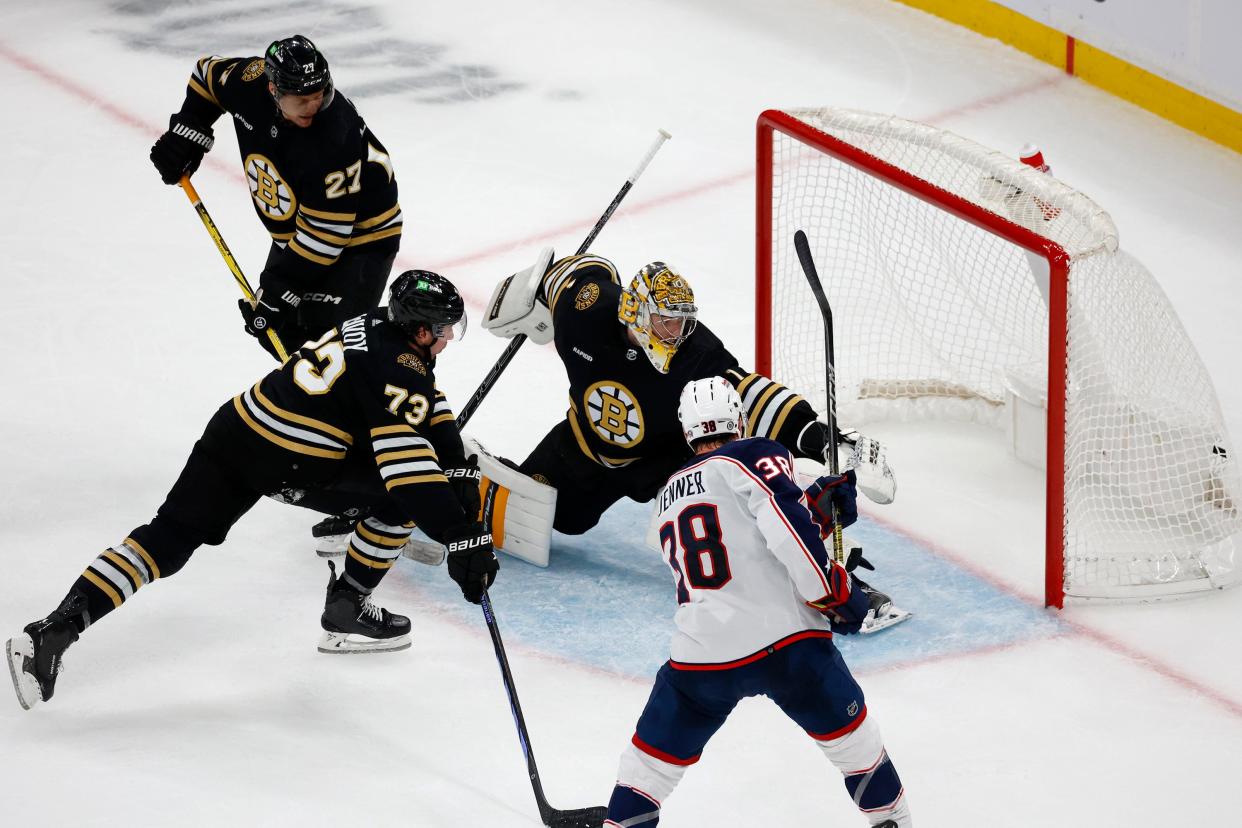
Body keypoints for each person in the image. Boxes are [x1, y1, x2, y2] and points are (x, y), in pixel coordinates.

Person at [5, 272, 497, 711]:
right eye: (445, 329)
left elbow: (428, 402)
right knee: (397, 502)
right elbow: (408, 474)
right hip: (292, 461)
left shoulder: (373, 322)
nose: (449, 337)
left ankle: (55, 629)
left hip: (235, 428)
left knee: (167, 539)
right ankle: (348, 605)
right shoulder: (400, 366)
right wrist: (460, 535)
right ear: (420, 330)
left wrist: (457, 467)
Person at [480, 251, 907, 631]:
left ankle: (833, 578)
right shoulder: (585, 310)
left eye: (683, 319)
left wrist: (816, 437)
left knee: (725, 521)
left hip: (663, 461)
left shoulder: (695, 352)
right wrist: (522, 300)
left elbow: (748, 393)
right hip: (582, 445)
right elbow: (574, 272)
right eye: (667, 320)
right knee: (564, 518)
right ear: (636, 312)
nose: (678, 330)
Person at [602, 377, 912, 827]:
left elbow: (739, 541)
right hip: (786, 643)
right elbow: (785, 534)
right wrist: (834, 592)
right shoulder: (754, 454)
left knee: (645, 771)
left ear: (688, 433)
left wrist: (814, 509)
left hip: (701, 658)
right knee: (858, 750)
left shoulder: (667, 494)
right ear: (741, 420)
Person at [149, 34, 402, 361]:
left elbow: (328, 234)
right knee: (280, 335)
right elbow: (207, 76)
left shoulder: (335, 134)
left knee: (333, 353)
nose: (314, 106)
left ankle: (389, 383)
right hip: (302, 230)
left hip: (362, 237)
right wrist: (187, 133)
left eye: (320, 95)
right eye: (302, 100)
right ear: (274, 91)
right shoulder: (248, 82)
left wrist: (280, 285)